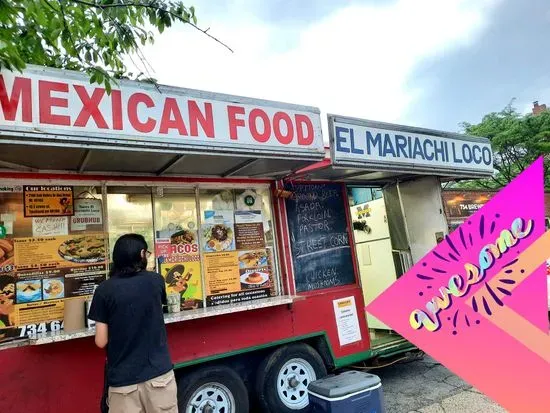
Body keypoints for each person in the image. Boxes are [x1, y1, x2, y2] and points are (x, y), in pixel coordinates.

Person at [88, 234, 177, 413]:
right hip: (159, 376)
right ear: (142, 254)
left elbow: (101, 341)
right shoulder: (156, 281)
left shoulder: (104, 290)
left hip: (123, 384)